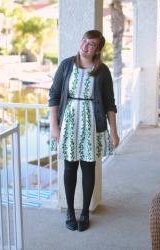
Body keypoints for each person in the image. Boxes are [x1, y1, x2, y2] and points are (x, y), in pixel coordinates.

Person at [48, 30, 119, 232]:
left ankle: (85, 212)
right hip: (69, 122)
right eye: (84, 41)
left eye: (92, 44)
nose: (86, 46)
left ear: (97, 50)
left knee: (88, 168)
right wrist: (54, 125)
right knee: (69, 167)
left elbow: (109, 104)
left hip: (92, 122)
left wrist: (114, 132)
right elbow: (54, 95)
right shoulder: (66, 65)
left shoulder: (102, 70)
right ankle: (70, 211)